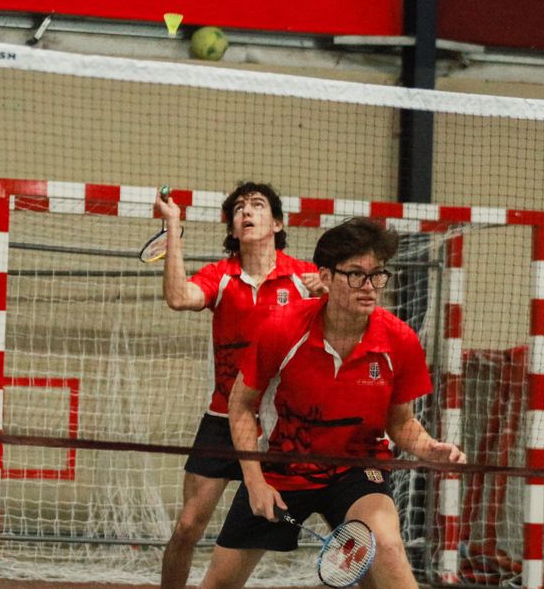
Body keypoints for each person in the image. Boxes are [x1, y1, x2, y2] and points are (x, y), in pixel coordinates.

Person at [200, 217, 466, 589]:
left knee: (387, 549)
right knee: (220, 582)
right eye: (355, 274)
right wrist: (254, 481)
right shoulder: (283, 327)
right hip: (283, 465)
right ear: (325, 277)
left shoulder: (400, 340)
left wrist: (428, 447)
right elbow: (241, 404)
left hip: (356, 468)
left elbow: (400, 422)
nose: (369, 286)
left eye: (377, 275)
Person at [154, 181, 325, 589]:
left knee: (328, 509)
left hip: (283, 425)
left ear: (277, 223)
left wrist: (330, 293)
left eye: (258, 205)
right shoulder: (221, 276)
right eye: (239, 209)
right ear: (232, 228)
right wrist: (173, 225)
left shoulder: (304, 278)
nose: (246, 212)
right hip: (223, 418)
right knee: (187, 526)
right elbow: (178, 297)